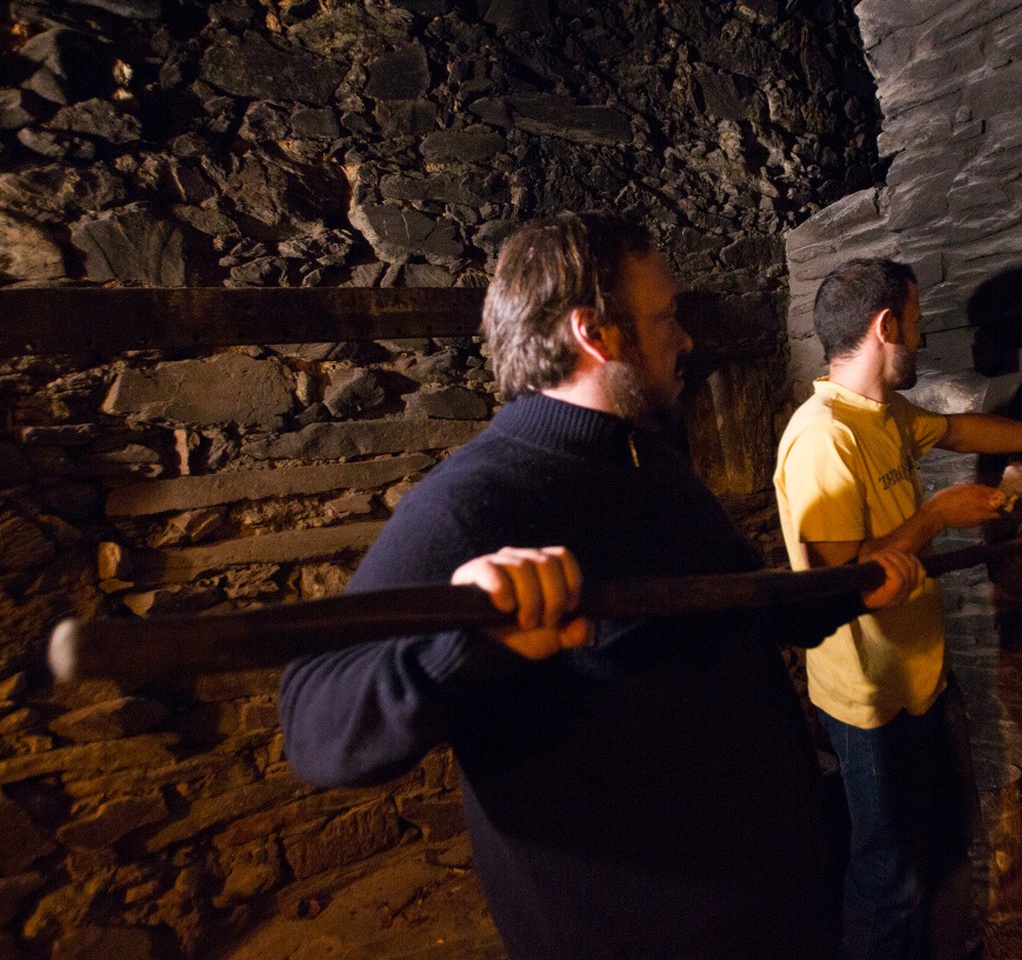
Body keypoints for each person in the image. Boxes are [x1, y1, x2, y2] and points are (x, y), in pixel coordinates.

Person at [278, 214, 926, 960]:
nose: (686, 340)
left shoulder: (650, 463)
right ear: (594, 334)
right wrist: (463, 646)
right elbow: (314, 722)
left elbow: (738, 605)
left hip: (770, 911)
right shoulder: (472, 502)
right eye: (666, 318)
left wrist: (851, 589)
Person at [773, 258, 1022, 960]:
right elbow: (836, 581)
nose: (923, 337)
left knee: (947, 846)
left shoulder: (882, 413)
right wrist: (935, 515)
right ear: (885, 326)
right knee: (889, 878)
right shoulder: (823, 437)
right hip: (869, 699)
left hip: (924, 678)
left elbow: (961, 432)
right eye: (917, 322)